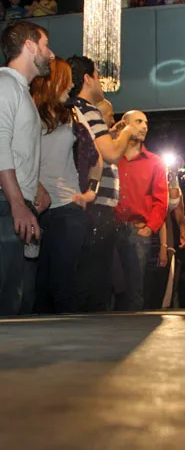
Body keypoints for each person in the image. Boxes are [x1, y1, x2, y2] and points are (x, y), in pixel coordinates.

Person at [67, 56, 141, 312]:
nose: (101, 82)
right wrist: (127, 132)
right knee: (95, 279)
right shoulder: (89, 110)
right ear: (87, 79)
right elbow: (110, 154)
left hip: (77, 199)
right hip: (95, 204)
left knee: (81, 275)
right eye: (98, 76)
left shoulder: (70, 108)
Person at [31, 57, 102, 313]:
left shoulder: (73, 116)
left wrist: (91, 192)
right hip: (32, 209)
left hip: (67, 208)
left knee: (63, 287)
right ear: (52, 81)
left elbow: (96, 159)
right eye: (67, 79)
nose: (72, 85)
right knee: (36, 289)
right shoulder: (28, 111)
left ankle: (69, 338)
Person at [0, 21, 54, 315]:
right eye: (45, 45)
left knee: (22, 302)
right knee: (9, 304)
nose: (51, 53)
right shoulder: (5, 84)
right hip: (6, 206)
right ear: (29, 46)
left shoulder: (21, 91)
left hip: (15, 204)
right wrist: (18, 203)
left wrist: (37, 187)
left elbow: (17, 150)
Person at [114, 110, 168, 311]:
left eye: (146, 122)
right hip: (109, 229)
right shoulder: (111, 157)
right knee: (106, 289)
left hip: (137, 231)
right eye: (138, 121)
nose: (145, 126)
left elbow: (161, 199)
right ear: (124, 124)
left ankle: (131, 330)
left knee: (134, 292)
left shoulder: (154, 161)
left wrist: (150, 227)